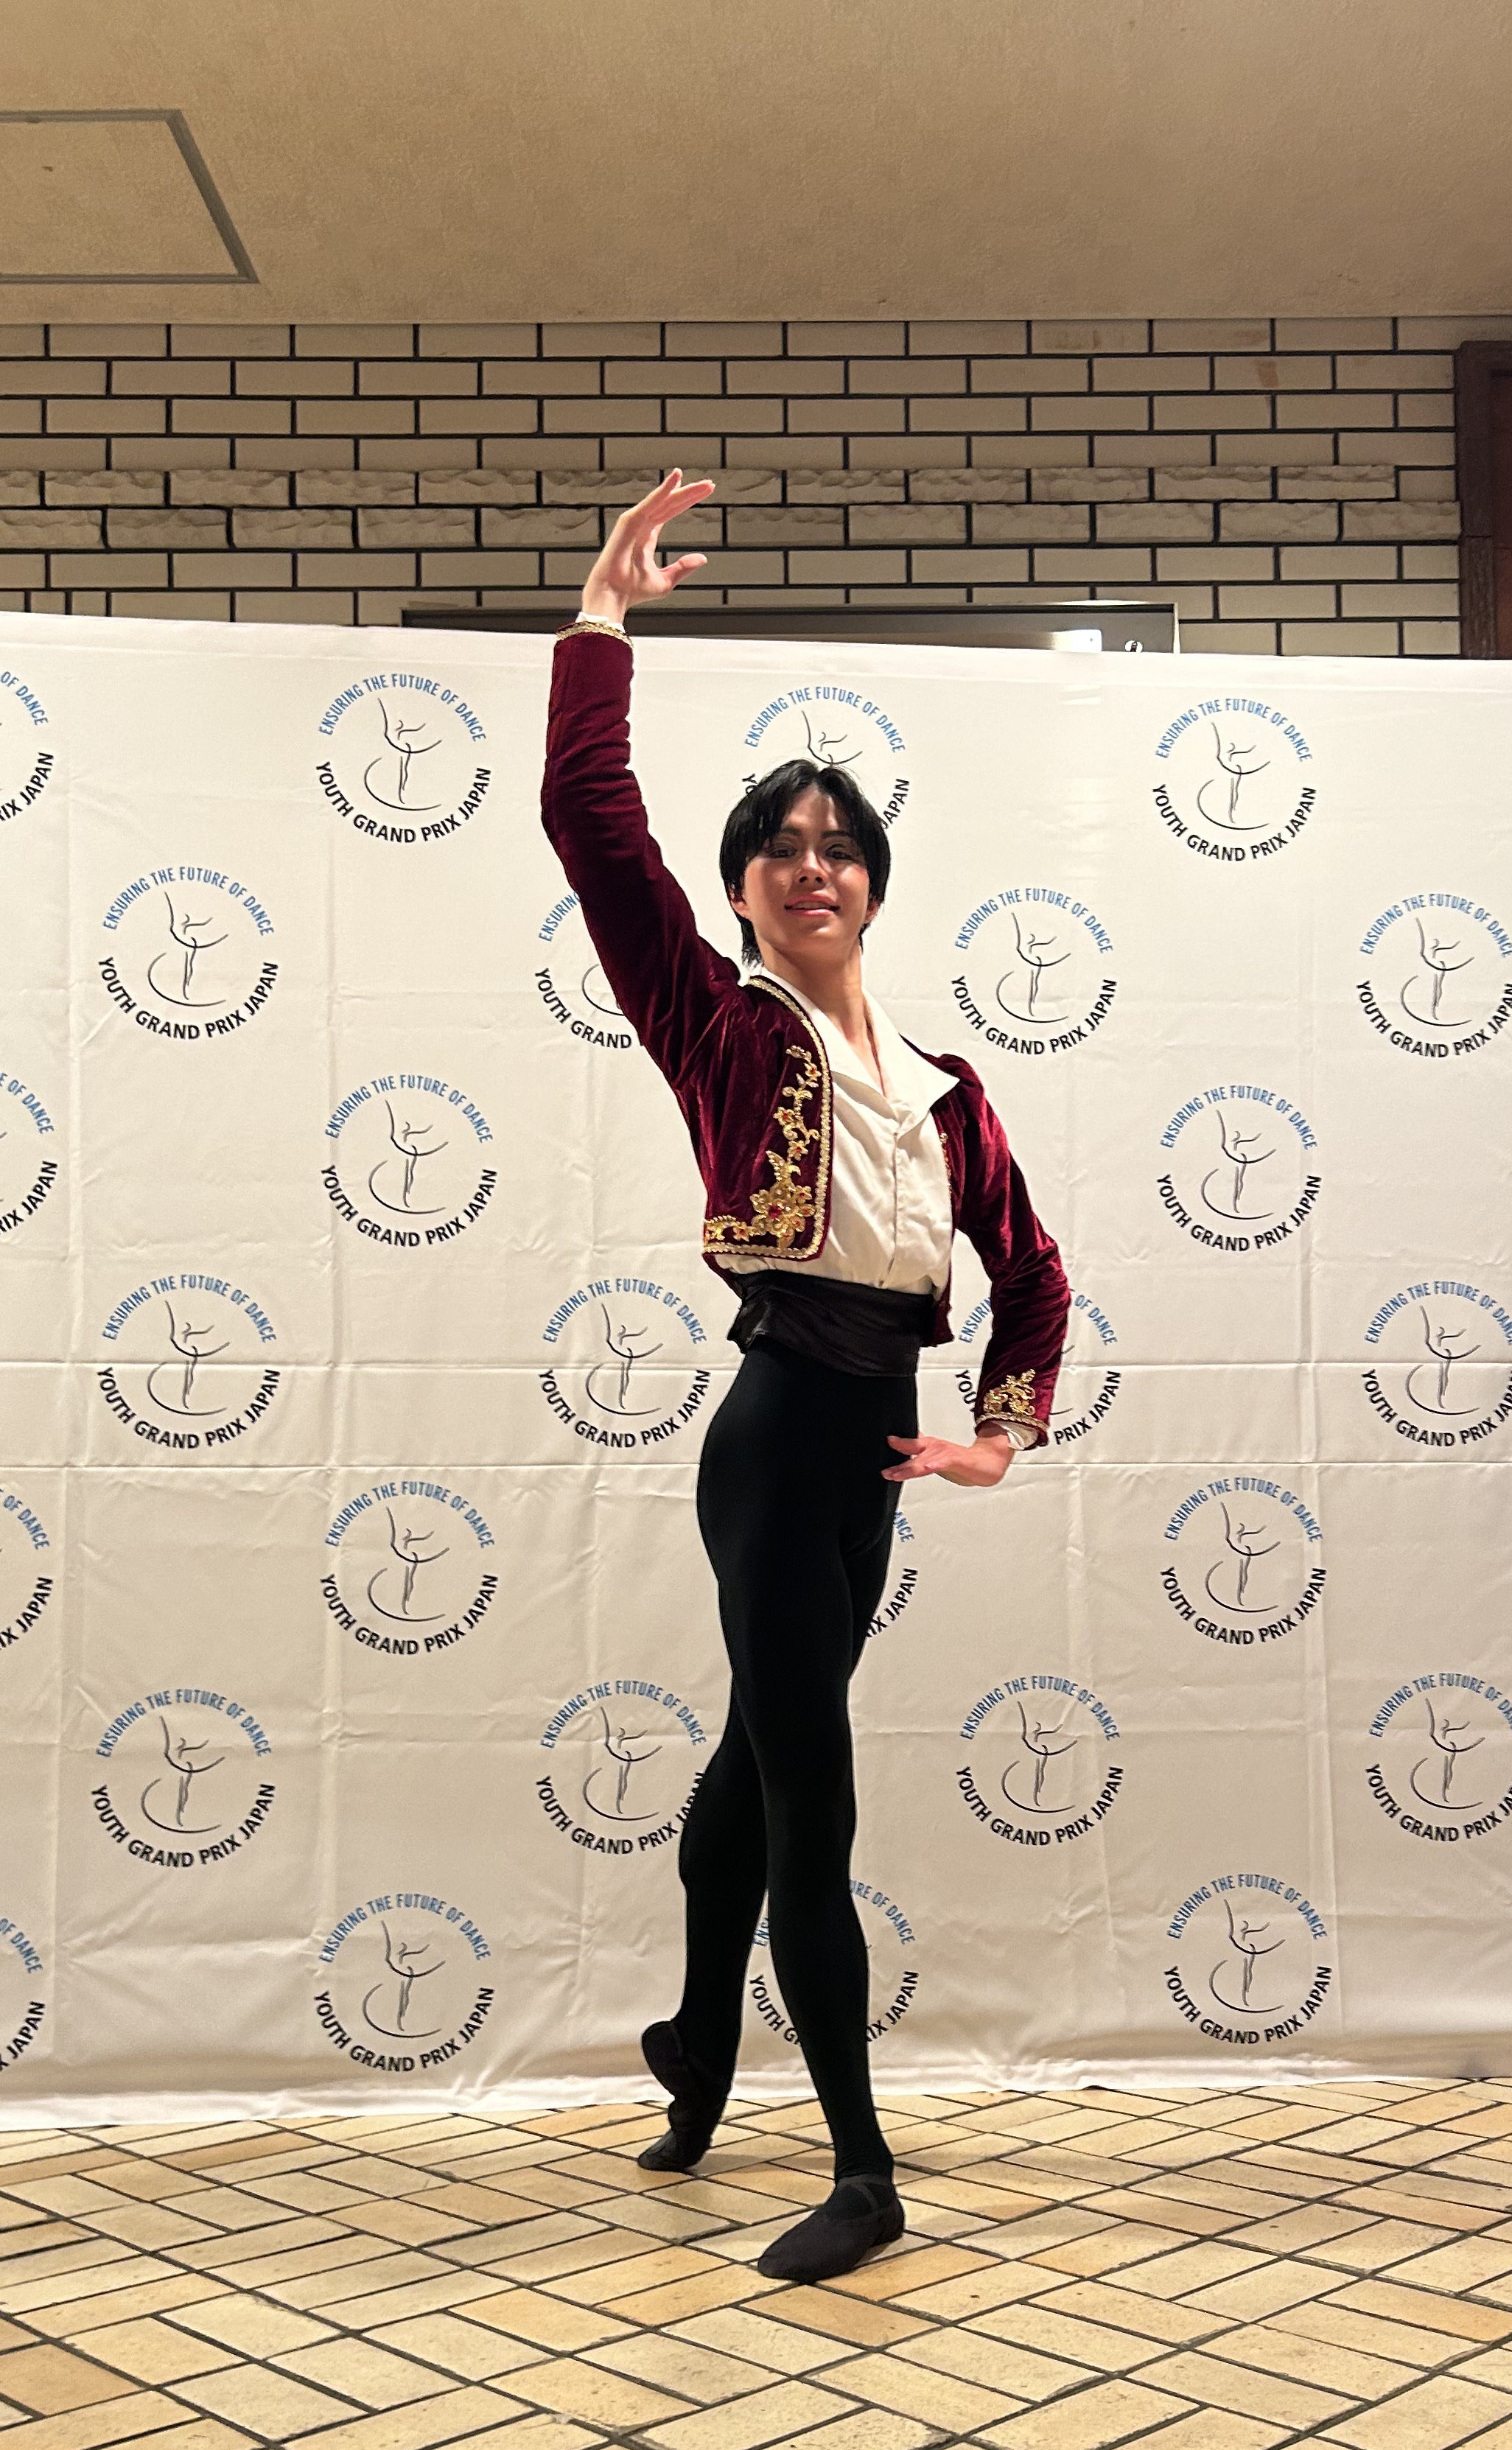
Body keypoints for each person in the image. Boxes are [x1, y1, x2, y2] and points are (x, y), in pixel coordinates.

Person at [542, 472, 1070, 2283]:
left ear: (873, 886)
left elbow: (1033, 1270)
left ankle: (696, 2053)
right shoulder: (715, 1018)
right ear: (744, 893)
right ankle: (861, 2167)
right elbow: (590, 824)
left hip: (875, 1452)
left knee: (751, 1763)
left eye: (840, 845)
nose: (813, 864)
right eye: (780, 847)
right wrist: (601, 626)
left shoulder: (945, 1087)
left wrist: (999, 1433)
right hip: (775, 1439)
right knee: (810, 1800)